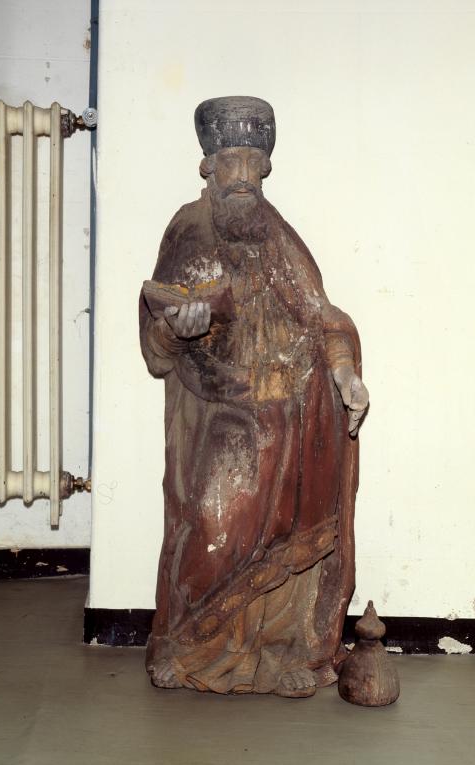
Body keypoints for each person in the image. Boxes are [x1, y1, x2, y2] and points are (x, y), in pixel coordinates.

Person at [139, 96, 369, 697]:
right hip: (220, 414)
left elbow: (325, 319)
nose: (241, 175)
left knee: (286, 546)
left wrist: (345, 376)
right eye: (229, 161)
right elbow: (158, 333)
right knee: (211, 524)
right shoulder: (188, 229)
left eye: (251, 162)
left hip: (293, 416)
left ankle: (281, 648)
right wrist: (177, 325)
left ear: (265, 167)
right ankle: (188, 648)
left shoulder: (279, 236)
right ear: (206, 167)